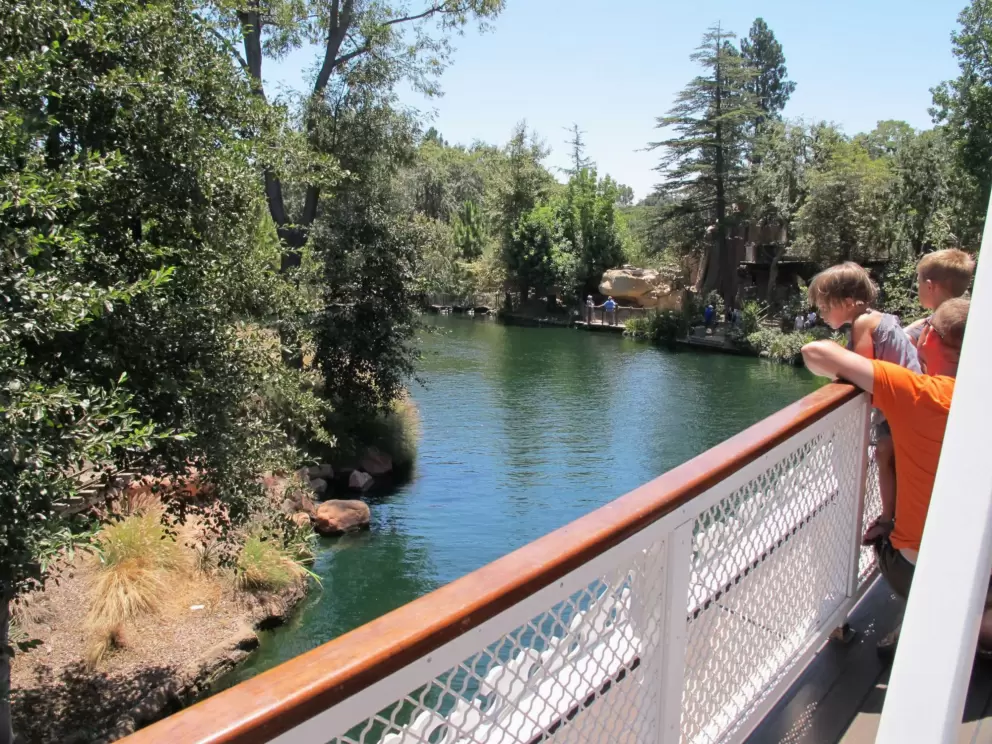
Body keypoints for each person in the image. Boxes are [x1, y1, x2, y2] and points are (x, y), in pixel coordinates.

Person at [801, 299, 984, 657]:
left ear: (929, 337)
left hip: (917, 567)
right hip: (979, 563)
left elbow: (815, 352)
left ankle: (958, 619)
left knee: (885, 538)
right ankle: (976, 615)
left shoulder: (918, 393)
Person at [808, 262, 920, 560]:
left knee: (885, 457)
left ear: (847, 303)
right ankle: (893, 518)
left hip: (901, 408)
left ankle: (888, 520)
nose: (820, 313)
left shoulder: (863, 324)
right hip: (909, 403)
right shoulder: (881, 319)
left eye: (823, 306)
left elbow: (860, 368)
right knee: (891, 458)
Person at [904, 248, 976, 346]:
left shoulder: (922, 336)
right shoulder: (972, 321)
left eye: (919, 281)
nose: (918, 287)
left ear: (930, 286)